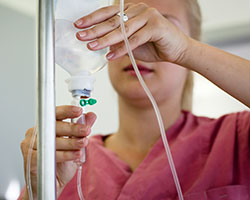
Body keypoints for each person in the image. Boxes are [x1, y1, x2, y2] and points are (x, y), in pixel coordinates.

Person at [19, 0, 250, 199]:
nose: (136, 43)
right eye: (122, 27)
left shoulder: (234, 139)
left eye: (163, 29)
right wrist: (38, 193)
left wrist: (185, 52)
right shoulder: (65, 160)